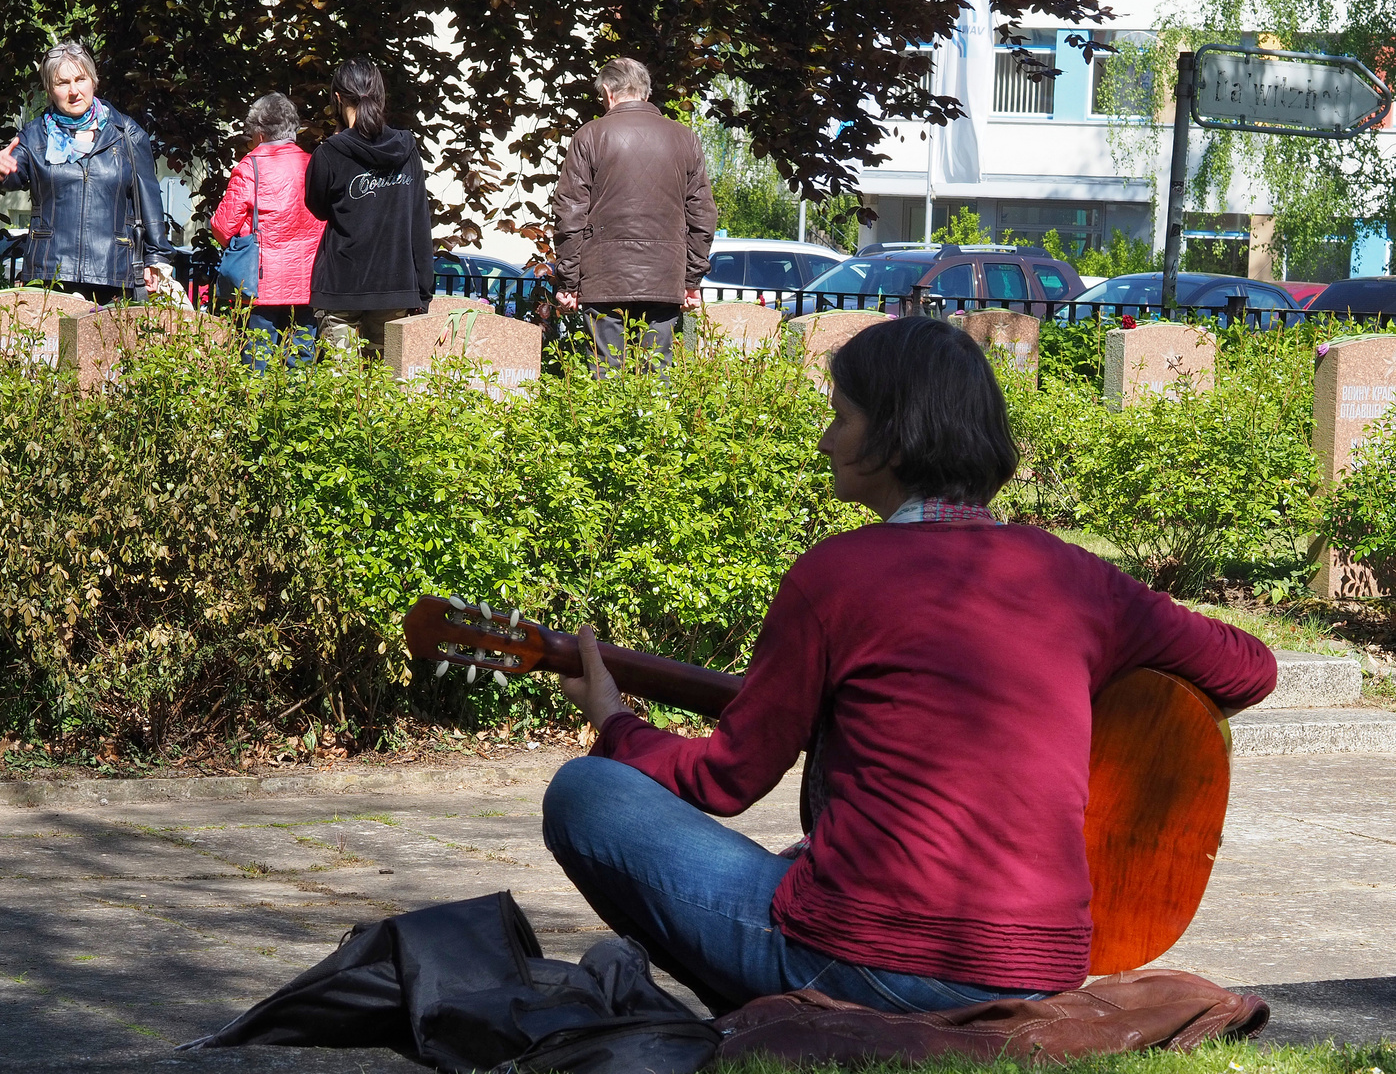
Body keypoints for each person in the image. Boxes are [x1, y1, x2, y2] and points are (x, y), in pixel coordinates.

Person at [543, 316, 1277, 1016]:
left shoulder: (836, 574)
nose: (825, 442)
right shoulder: (1071, 575)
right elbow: (1251, 668)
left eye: (841, 417)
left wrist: (613, 723)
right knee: (807, 853)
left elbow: (726, 780)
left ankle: (797, 1011)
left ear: (893, 439)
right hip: (1042, 971)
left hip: (870, 961)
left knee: (587, 793)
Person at [552, 57, 716, 374]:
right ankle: (654, 424)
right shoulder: (685, 138)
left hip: (603, 277)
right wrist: (691, 279)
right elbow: (702, 214)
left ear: (610, 93)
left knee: (606, 375)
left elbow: (569, 213)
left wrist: (569, 281)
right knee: (657, 374)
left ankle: (612, 424)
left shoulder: (589, 136)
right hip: (664, 277)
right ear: (645, 91)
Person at [0, 41, 174, 304]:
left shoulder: (127, 135)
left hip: (113, 274)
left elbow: (150, 204)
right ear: (50, 90)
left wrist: (156, 258)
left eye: (80, 79)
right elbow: (13, 174)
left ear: (93, 81)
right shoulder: (35, 135)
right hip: (49, 272)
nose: (73, 91)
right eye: (62, 83)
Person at [304, 58, 432, 356]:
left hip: (339, 285)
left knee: (338, 390)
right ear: (379, 95)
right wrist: (423, 291)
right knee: (386, 389)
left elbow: (319, 208)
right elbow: (419, 223)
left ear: (337, 98)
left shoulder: (329, 155)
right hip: (395, 286)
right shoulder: (407, 151)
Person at [210, 92, 326, 369]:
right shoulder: (314, 165)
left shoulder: (250, 167)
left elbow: (223, 227)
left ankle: (256, 411)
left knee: (257, 361)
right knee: (302, 359)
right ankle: (299, 411)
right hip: (308, 281)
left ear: (259, 134)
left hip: (261, 283)